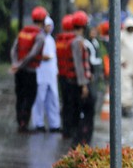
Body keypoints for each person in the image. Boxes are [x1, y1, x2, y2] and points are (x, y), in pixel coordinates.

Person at [9, 6, 47, 132]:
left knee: (20, 96)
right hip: (29, 71)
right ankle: (23, 123)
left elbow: (14, 49)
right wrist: (20, 65)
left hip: (19, 71)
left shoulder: (23, 32)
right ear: (43, 20)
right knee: (30, 96)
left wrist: (16, 64)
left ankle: (20, 121)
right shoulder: (40, 36)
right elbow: (33, 54)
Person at [63, 11, 95, 148]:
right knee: (87, 110)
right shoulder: (78, 42)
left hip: (70, 82)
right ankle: (81, 140)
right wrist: (84, 85)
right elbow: (79, 65)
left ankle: (78, 140)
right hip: (78, 83)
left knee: (75, 110)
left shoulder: (71, 40)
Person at [30, 16, 61, 133]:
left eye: (50, 25)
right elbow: (34, 54)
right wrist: (44, 57)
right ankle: (38, 123)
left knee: (53, 99)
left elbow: (55, 58)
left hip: (51, 74)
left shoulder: (51, 40)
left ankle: (54, 124)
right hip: (41, 72)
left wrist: (56, 71)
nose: (48, 27)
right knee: (39, 98)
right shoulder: (39, 38)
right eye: (46, 25)